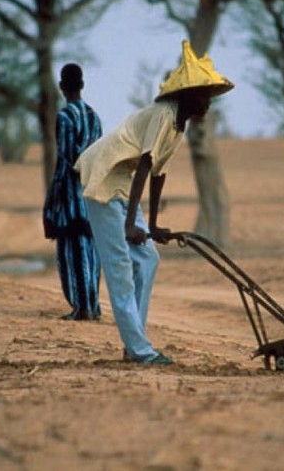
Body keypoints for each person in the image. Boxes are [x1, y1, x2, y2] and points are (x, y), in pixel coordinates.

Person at [74, 40, 234, 365]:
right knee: (120, 267)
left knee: (148, 259)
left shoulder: (179, 125)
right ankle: (141, 352)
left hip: (122, 183)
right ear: (187, 94)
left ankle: (135, 344)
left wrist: (155, 225)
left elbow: (159, 174)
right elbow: (145, 164)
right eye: (203, 95)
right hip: (103, 178)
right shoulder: (164, 114)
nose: (207, 103)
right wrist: (132, 222)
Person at [43, 63, 103, 320]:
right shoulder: (94, 116)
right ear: (82, 85)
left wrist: (53, 199)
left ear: (61, 86)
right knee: (91, 251)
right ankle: (93, 305)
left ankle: (82, 308)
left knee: (72, 253)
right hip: (93, 193)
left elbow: (68, 159)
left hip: (71, 197)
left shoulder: (65, 117)